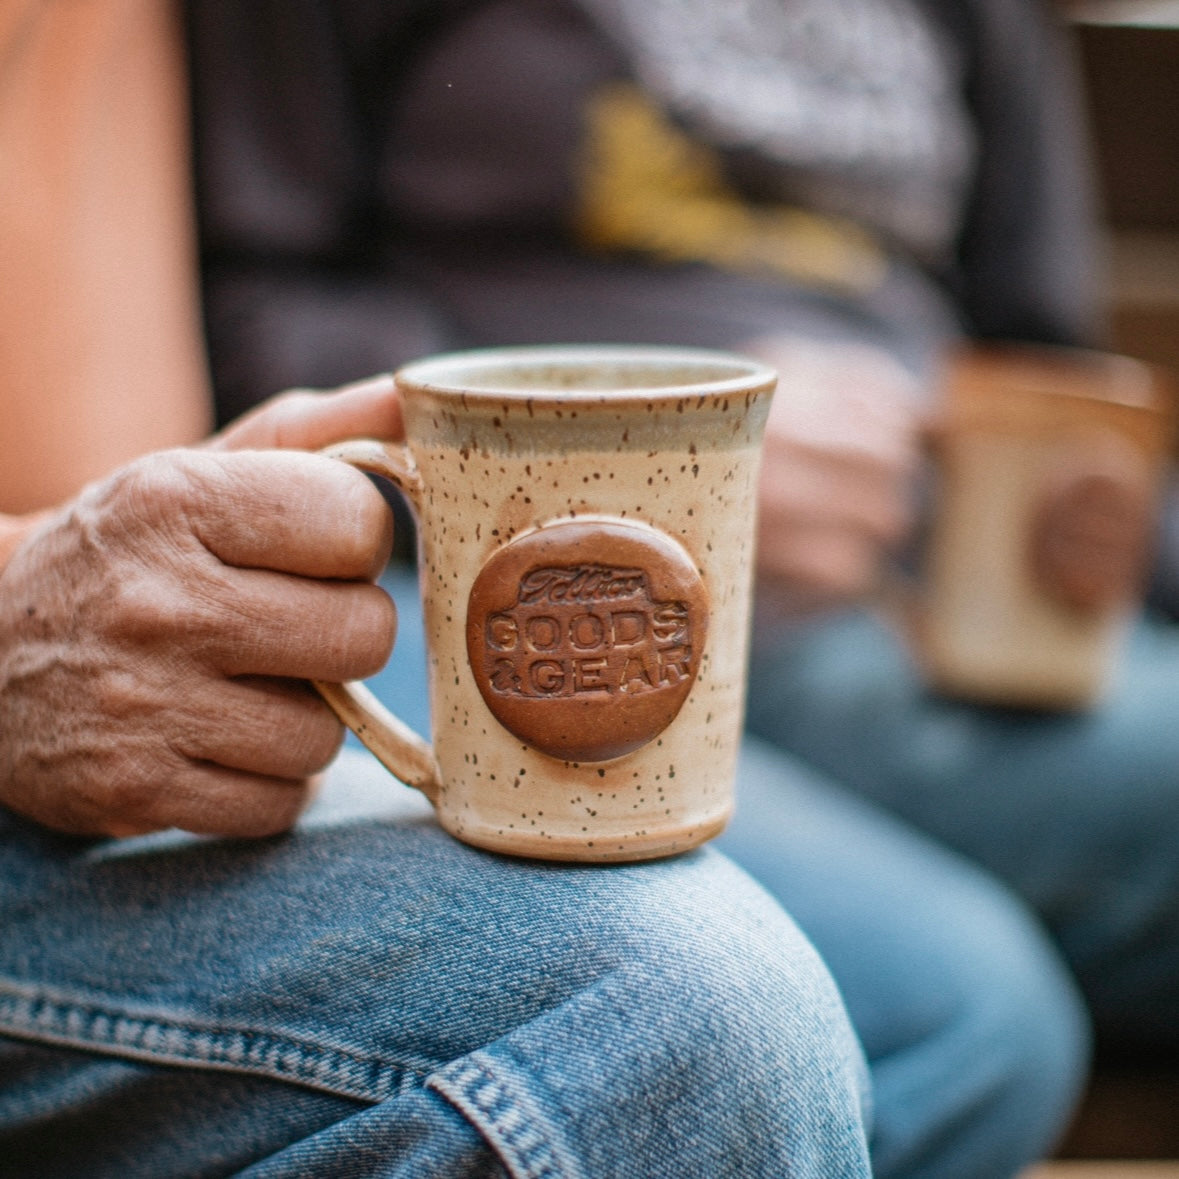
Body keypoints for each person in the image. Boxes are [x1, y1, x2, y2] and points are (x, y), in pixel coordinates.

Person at [0, 2, 1090, 1176]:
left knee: (971, 1012)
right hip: (521, 596)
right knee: (737, 1013)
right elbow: (236, 341)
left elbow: (1046, 351)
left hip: (901, 589)